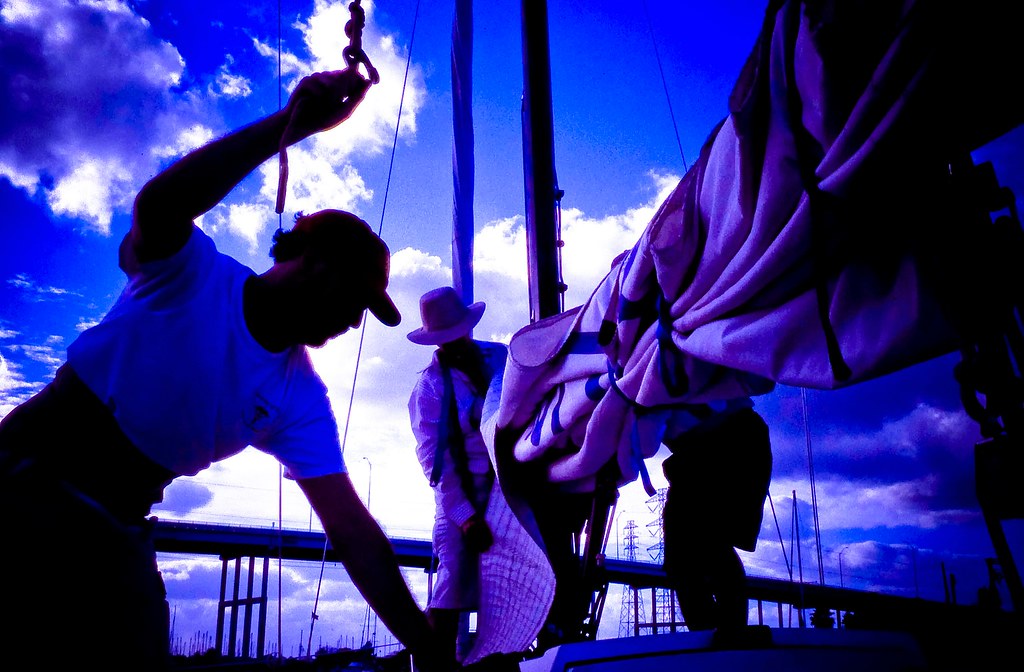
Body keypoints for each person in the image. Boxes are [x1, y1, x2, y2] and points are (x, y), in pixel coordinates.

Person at [0, 68, 449, 670]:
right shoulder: (192, 271)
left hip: (118, 524)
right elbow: (160, 205)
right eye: (354, 299)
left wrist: (431, 652)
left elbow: (352, 530)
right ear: (310, 259)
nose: (352, 321)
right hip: (23, 475)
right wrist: (291, 128)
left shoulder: (298, 398)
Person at [407, 286, 508, 665]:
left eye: (459, 334)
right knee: (451, 580)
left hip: (509, 489)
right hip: (459, 495)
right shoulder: (428, 389)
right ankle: (435, 665)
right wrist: (466, 518)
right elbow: (437, 464)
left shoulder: (499, 356)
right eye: (447, 339)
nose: (456, 343)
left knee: (506, 583)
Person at [660, 402, 773, 631]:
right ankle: (722, 632)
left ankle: (718, 633)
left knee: (690, 550)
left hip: (724, 445)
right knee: (700, 547)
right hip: (729, 445)